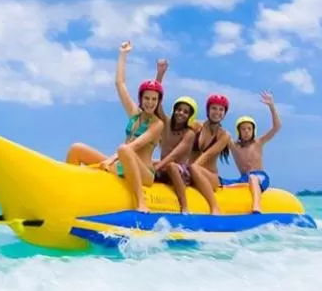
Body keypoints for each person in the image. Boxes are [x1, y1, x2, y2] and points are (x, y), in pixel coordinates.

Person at [65, 41, 166, 212]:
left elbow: (135, 146)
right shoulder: (135, 114)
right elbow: (120, 84)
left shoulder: (158, 124)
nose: (150, 103)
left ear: (158, 102)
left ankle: (140, 202)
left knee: (124, 149)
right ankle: (68, 190)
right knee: (77, 149)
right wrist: (123, 54)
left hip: (144, 174)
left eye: (154, 99)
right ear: (141, 99)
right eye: (147, 98)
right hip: (121, 164)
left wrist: (111, 159)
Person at [226, 91, 282, 212]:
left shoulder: (258, 142)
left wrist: (272, 106)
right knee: (220, 182)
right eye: (243, 129)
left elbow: (277, 127)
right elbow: (219, 134)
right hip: (243, 179)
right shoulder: (233, 145)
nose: (246, 131)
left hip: (260, 177)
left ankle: (256, 206)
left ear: (253, 131)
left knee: (253, 178)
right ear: (238, 131)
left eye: (249, 129)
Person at [152, 95, 200, 212]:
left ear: (190, 116)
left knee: (171, 166)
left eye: (185, 112)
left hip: (181, 173)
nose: (181, 113)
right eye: (179, 109)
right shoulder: (166, 123)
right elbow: (157, 105)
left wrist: (158, 167)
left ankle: (184, 206)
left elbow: (175, 154)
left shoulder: (190, 133)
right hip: (163, 169)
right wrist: (159, 77)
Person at [188, 93, 233, 214]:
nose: (217, 112)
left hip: (210, 177)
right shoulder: (196, 126)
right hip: (191, 172)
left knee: (194, 167)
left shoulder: (224, 135)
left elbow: (207, 155)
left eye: (221, 109)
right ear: (208, 110)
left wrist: (190, 169)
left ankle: (215, 207)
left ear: (224, 113)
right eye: (214, 108)